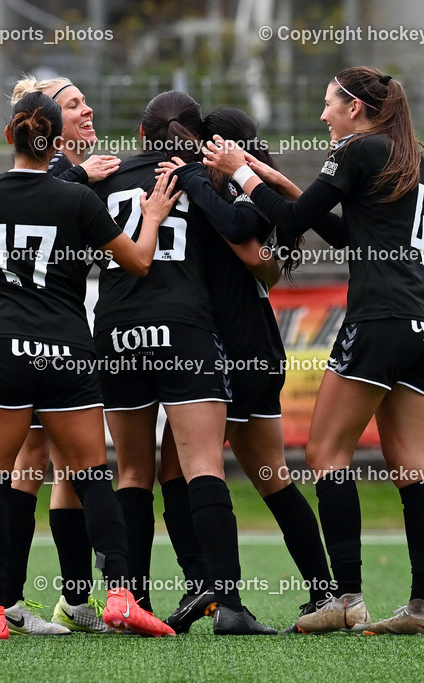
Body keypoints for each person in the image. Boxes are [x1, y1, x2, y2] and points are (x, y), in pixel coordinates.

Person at [205, 66, 424, 635]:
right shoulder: (405, 152)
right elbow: (348, 235)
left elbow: (289, 224)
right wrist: (280, 181)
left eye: (329, 103)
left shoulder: (356, 149)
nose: (322, 115)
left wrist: (240, 172)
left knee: (326, 456)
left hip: (379, 320)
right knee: (413, 467)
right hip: (422, 323)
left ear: (356, 108)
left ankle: (346, 598)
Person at [0, 91, 177, 639]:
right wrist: (153, 216)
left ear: (9, 136)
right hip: (65, 351)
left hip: (1, 347)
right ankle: (120, 595)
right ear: (57, 143)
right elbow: (138, 262)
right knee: (92, 475)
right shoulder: (76, 200)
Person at [91, 91, 275, 635]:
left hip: (118, 328)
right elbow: (255, 237)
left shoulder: (107, 176)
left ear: (142, 135)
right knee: (202, 466)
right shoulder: (206, 178)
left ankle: (133, 602)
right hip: (184, 329)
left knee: (131, 472)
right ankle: (231, 605)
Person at [154, 107, 334, 633]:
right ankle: (323, 590)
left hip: (235, 350)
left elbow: (244, 238)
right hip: (255, 346)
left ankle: (209, 587)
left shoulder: (233, 189)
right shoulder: (243, 186)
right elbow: (265, 265)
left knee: (179, 468)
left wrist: (193, 176)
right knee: (271, 476)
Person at [0, 75, 123, 636]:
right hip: (34, 344)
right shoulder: (62, 180)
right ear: (46, 120)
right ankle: (7, 598)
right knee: (30, 465)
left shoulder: (95, 175)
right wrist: (74, 176)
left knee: (67, 467)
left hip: (70, 337)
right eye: (73, 105)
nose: (87, 110)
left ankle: (72, 599)